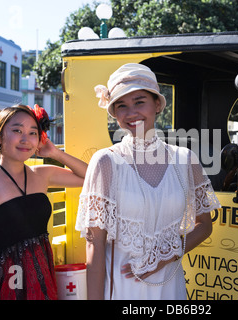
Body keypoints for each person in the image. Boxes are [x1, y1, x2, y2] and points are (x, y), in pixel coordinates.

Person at [75, 63, 220, 300]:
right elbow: (95, 243)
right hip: (121, 290)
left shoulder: (185, 160)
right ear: (114, 114)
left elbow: (205, 225)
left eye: (139, 101)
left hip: (170, 287)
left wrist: (162, 258)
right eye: (121, 105)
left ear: (157, 104)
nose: (131, 113)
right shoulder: (105, 162)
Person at [0, 104, 87, 300]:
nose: (25, 139)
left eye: (33, 133)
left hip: (42, 277)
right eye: (17, 130)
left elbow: (92, 178)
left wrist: (55, 153)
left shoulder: (42, 174)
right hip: (5, 281)